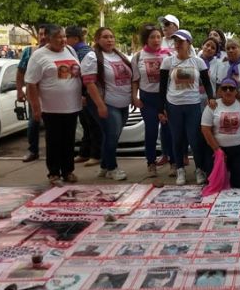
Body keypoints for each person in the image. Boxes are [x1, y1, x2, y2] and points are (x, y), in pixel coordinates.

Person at [24, 24, 82, 185]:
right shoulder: (39, 56)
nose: (63, 40)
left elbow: (77, 75)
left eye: (64, 36)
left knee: (69, 141)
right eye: (58, 37)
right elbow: (31, 84)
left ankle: (68, 171)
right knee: (54, 141)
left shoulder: (70, 50)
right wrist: (36, 107)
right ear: (48, 38)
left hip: (72, 105)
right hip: (51, 108)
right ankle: (54, 173)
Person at [159, 29, 215, 185]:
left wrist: (211, 97)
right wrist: (160, 108)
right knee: (177, 139)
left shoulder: (198, 62)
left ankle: (199, 169)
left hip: (193, 105)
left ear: (189, 43)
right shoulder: (168, 62)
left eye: (181, 41)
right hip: (174, 105)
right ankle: (180, 170)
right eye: (175, 41)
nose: (178, 44)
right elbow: (162, 87)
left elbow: (207, 83)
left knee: (194, 139)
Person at [81, 27, 135, 181]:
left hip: (122, 103)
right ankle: (112, 168)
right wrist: (100, 105)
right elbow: (89, 83)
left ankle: (104, 165)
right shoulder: (92, 57)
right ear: (97, 39)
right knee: (111, 135)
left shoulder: (119, 55)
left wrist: (131, 97)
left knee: (112, 136)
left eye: (112, 36)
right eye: (105, 37)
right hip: (106, 103)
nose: (110, 40)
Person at [131, 24, 175, 176]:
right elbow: (135, 80)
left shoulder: (168, 55)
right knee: (150, 131)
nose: (156, 40)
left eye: (158, 37)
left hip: (166, 98)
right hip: (147, 99)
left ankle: (173, 162)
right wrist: (134, 97)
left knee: (169, 130)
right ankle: (151, 163)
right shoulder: (138, 57)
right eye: (152, 37)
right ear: (145, 39)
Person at [201, 78, 240, 188]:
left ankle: (231, 170)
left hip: (239, 149)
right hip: (217, 150)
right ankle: (226, 169)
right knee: (213, 182)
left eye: (231, 88)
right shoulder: (212, 106)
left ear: (236, 91)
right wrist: (217, 149)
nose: (228, 91)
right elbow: (205, 129)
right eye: (224, 88)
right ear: (220, 91)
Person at [67, 25, 102, 166]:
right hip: (80, 94)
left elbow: (85, 76)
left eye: (66, 37)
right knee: (86, 125)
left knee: (93, 125)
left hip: (87, 94)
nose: (65, 40)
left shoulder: (83, 53)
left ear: (75, 38)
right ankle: (84, 152)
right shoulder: (75, 51)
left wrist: (83, 94)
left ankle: (95, 154)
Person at [16, 24, 48, 163]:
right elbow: (20, 72)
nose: (42, 37)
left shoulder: (60, 51)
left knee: (53, 125)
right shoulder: (30, 51)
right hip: (34, 94)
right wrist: (19, 91)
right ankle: (33, 150)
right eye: (40, 34)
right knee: (34, 123)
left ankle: (55, 153)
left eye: (44, 34)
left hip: (54, 96)